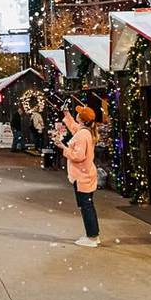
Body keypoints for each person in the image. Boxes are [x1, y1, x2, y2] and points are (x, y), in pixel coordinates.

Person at [56, 104, 100, 247]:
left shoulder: (82, 135)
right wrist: (67, 114)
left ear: (81, 119)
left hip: (82, 176)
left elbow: (78, 156)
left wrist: (63, 147)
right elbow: (74, 127)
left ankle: (92, 237)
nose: (77, 115)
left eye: (79, 114)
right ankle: (93, 234)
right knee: (88, 205)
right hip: (86, 174)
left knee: (86, 206)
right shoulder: (85, 132)